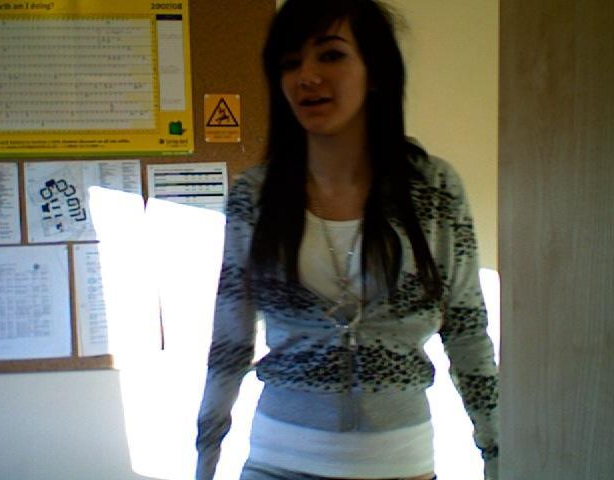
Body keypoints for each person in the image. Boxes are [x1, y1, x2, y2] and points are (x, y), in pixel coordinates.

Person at [196, 0, 499, 479]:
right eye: (290, 63)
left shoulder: (434, 191)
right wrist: (206, 457)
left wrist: (497, 449)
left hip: (401, 465)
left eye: (330, 55)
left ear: (374, 71)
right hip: (277, 462)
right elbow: (230, 339)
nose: (306, 77)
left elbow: (466, 330)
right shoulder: (256, 196)